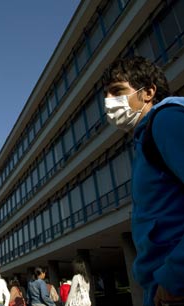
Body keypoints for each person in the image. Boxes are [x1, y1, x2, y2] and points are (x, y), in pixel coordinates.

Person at [103, 56, 184, 306]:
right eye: (106, 96)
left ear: (148, 92)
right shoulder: (144, 139)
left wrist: (175, 276)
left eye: (117, 92)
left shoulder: (167, 121)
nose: (108, 102)